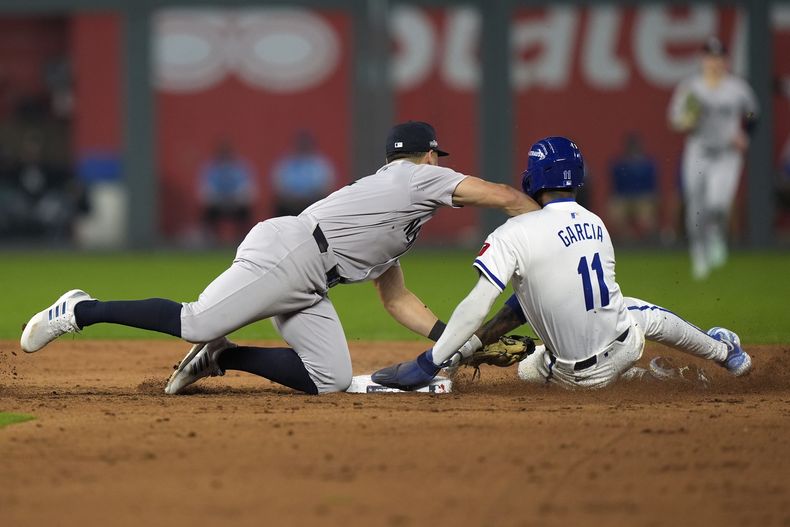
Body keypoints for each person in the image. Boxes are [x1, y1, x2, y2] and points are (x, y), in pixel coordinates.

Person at [20, 121, 539, 395]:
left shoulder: (395, 214)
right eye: (435, 156)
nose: (438, 165)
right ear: (429, 155)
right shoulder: (416, 177)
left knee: (329, 381)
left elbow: (397, 298)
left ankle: (223, 357)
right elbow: (499, 194)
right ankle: (77, 310)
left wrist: (452, 340)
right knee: (197, 319)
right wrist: (548, 219)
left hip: (312, 279)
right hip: (291, 253)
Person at [372, 137, 751, 392]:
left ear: (532, 178)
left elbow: (481, 302)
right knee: (636, 310)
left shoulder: (513, 232)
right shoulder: (596, 223)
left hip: (566, 376)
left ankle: (448, 376)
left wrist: (444, 355)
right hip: (622, 347)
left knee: (531, 359)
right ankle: (725, 352)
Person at [667, 36, 758, 280]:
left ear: (726, 61)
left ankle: (716, 234)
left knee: (718, 204)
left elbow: (752, 112)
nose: (714, 62)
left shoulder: (737, 88)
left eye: (718, 57)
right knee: (695, 205)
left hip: (727, 154)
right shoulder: (691, 88)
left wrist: (745, 135)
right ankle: (698, 252)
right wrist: (685, 120)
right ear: (702, 60)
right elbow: (675, 119)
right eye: (710, 57)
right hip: (699, 150)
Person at [199, 141, 256, 243]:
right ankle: (210, 240)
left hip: (236, 203)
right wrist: (220, 199)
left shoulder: (239, 168)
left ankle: (244, 240)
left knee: (245, 212)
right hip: (217, 203)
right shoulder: (211, 169)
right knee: (207, 212)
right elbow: (205, 189)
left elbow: (247, 188)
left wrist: (234, 199)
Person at [271, 131, 336, 217]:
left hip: (313, 202)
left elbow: (326, 185)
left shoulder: (320, 163)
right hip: (290, 203)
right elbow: (279, 184)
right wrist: (292, 197)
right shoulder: (286, 163)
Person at [608, 132, 658, 242]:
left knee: (646, 215)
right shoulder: (619, 164)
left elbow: (653, 189)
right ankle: (626, 241)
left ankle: (649, 242)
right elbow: (614, 188)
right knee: (617, 210)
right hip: (624, 198)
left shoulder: (647, 164)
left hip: (642, 198)